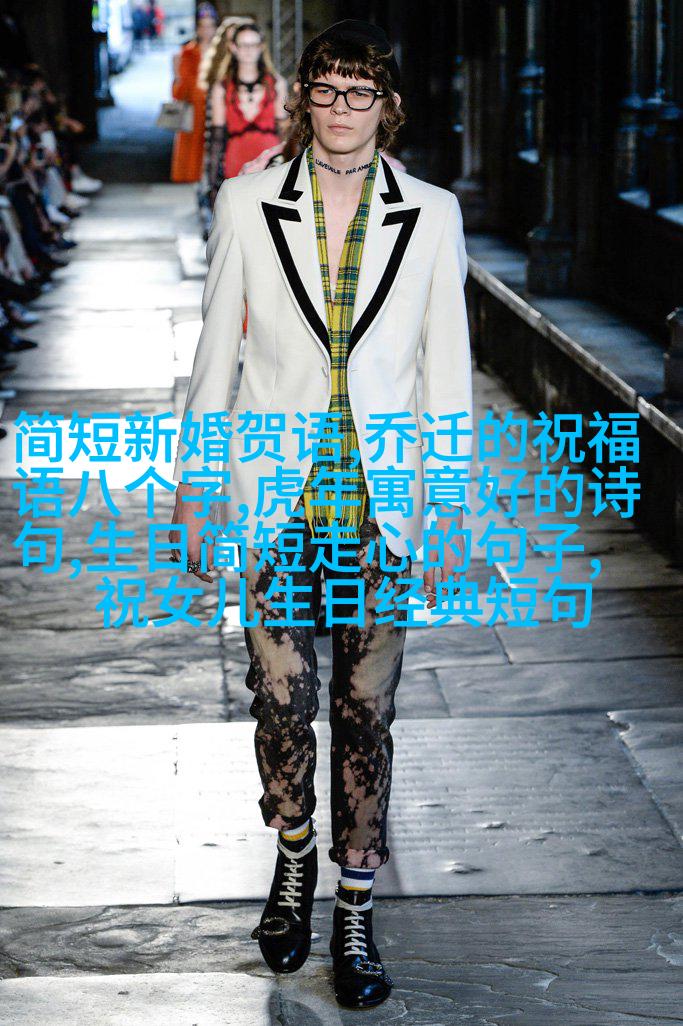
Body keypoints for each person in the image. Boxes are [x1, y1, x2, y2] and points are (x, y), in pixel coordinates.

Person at [170, 18, 473, 1011]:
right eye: (327, 89)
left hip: (381, 510)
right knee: (278, 699)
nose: (342, 108)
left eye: (360, 91)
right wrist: (195, 484)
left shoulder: (430, 215)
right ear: (303, 99)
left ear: (388, 105)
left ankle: (353, 909)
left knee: (365, 714)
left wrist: (450, 505)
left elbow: (444, 372)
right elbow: (214, 356)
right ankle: (293, 851)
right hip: (273, 502)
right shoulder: (247, 201)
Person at [206, 21, 288, 202]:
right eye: (244, 45)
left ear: (261, 47)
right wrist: (212, 184)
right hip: (236, 160)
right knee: (239, 212)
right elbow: (216, 138)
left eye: (253, 45)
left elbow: (284, 132)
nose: (249, 51)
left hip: (271, 162)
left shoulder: (277, 84)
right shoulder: (222, 88)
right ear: (233, 47)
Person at [170, 2, 217, 184]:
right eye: (203, 26)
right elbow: (179, 92)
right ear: (197, 28)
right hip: (195, 110)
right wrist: (177, 75)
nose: (206, 31)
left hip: (216, 108)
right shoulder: (187, 52)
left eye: (210, 26)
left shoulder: (223, 53)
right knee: (195, 159)